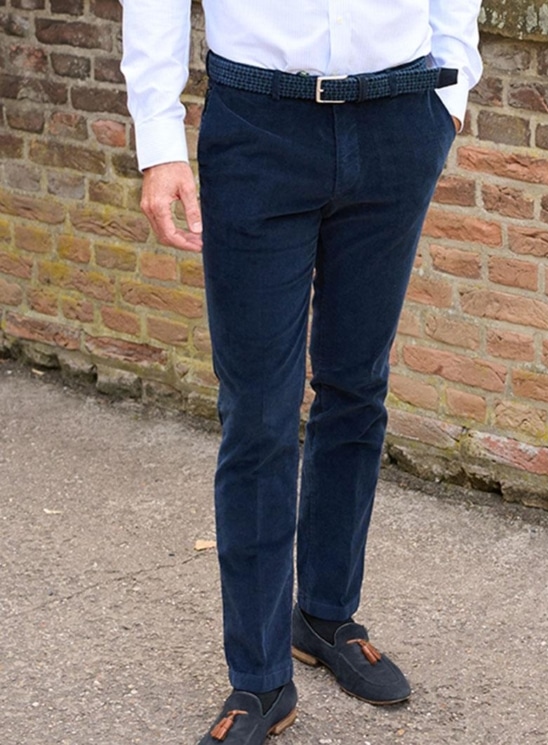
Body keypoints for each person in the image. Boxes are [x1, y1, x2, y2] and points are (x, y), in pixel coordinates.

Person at [120, 2, 482, 743]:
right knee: (259, 413)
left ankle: (325, 615)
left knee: (357, 387)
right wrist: (158, 138)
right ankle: (260, 680)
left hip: (398, 116)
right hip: (259, 124)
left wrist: (451, 91)